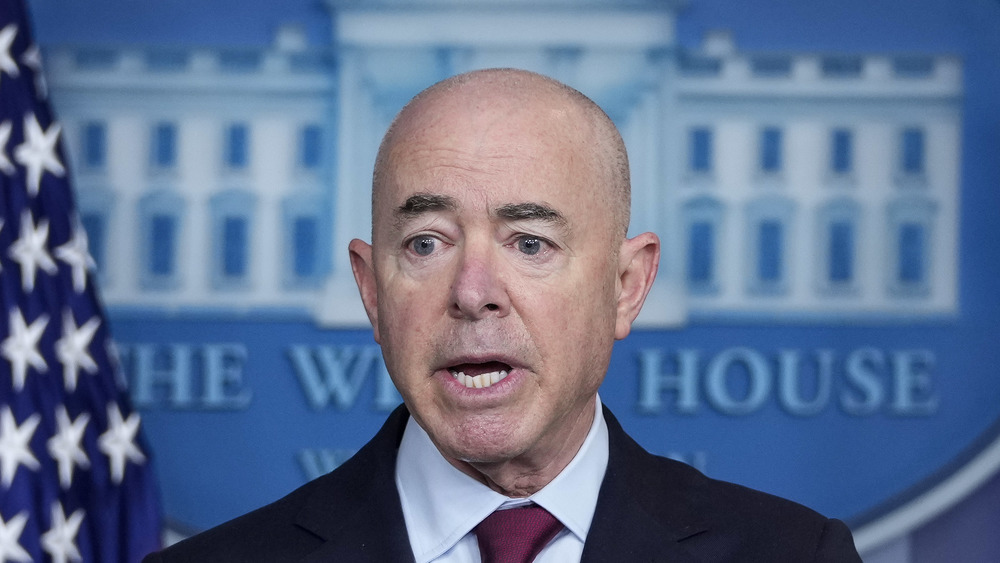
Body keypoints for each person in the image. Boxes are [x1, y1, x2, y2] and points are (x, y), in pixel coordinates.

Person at [144, 68, 862, 562]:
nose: (473, 290)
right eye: (427, 243)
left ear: (626, 285)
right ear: (371, 290)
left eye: (530, 243)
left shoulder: (793, 553)